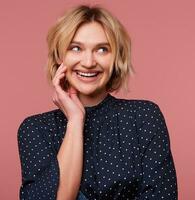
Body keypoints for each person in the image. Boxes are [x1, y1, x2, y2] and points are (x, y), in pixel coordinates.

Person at [17, 4, 178, 200]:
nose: (88, 62)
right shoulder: (35, 130)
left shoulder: (144, 117)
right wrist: (75, 121)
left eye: (102, 49)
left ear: (116, 58)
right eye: (75, 48)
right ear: (60, 55)